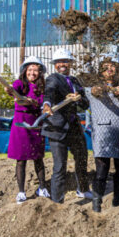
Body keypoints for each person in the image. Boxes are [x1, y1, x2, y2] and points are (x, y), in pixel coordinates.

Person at [41, 48, 91, 204]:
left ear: (70, 63)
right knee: (60, 166)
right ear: (55, 65)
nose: (62, 64)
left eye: (65, 61)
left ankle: (82, 189)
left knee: (82, 158)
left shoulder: (75, 82)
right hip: (57, 128)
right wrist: (47, 104)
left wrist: (78, 100)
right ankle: (57, 200)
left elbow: (86, 103)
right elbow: (49, 92)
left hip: (74, 127)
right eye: (59, 62)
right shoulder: (53, 79)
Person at [84, 54, 119, 212]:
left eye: (113, 67)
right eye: (107, 67)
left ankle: (118, 202)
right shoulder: (93, 88)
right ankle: (97, 204)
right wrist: (106, 88)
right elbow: (95, 91)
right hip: (102, 133)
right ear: (101, 71)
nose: (110, 70)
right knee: (102, 170)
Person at [5, 56, 48, 204]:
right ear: (25, 71)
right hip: (21, 124)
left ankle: (42, 188)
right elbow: (11, 89)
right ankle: (21, 192)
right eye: (30, 70)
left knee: (38, 158)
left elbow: (44, 103)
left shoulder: (43, 87)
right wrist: (9, 90)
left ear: (40, 72)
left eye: (35, 70)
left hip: (36, 123)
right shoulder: (19, 84)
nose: (32, 73)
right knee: (21, 160)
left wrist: (35, 102)